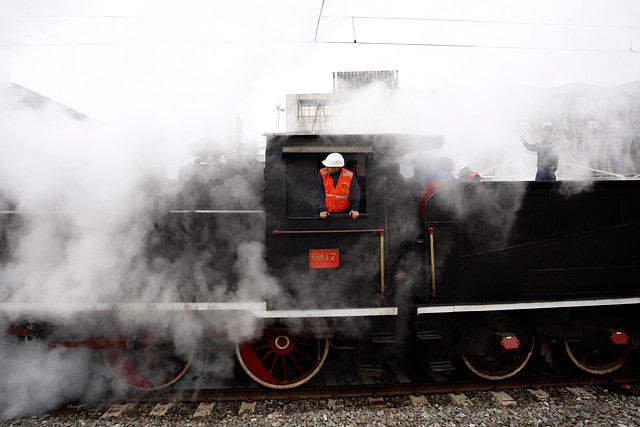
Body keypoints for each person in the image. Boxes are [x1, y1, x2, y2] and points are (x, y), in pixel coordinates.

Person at [317, 152, 360, 219]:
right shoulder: (322, 173)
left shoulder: (349, 175)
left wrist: (354, 209)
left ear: (337, 168)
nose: (326, 168)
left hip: (345, 213)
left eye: (329, 166)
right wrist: (322, 210)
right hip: (327, 214)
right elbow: (320, 193)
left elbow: (355, 193)